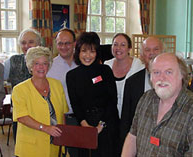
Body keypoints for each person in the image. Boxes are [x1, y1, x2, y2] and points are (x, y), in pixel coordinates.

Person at [122, 53, 193, 156]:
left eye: (169, 72)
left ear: (182, 75)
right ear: (150, 77)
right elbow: (133, 136)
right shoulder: (146, 99)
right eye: (156, 72)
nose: (162, 78)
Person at [66, 32, 119, 157]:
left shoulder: (105, 70)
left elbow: (112, 100)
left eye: (92, 51)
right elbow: (75, 103)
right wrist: (85, 125)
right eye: (84, 51)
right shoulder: (72, 76)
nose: (88, 56)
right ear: (78, 52)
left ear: (97, 53)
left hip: (107, 122)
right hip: (86, 124)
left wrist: (101, 125)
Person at [12, 46, 68, 157]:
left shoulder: (57, 85)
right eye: (36, 63)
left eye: (45, 63)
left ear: (49, 65)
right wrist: (45, 128)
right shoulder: (20, 89)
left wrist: (64, 139)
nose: (41, 67)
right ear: (30, 66)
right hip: (31, 147)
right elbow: (22, 117)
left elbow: (63, 113)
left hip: (55, 143)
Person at [119, 36, 164, 154]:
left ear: (163, 52)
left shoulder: (175, 80)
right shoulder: (131, 82)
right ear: (141, 55)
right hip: (139, 145)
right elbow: (126, 119)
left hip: (166, 145)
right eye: (147, 50)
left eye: (156, 49)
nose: (152, 53)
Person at [4, 28, 41, 143]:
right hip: (20, 115)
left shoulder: (47, 62)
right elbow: (0, 81)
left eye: (31, 42)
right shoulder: (11, 61)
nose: (27, 46)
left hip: (41, 113)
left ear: (38, 44)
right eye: (23, 43)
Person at [47, 28, 78, 156]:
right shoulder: (49, 67)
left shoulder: (83, 63)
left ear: (75, 44)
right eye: (60, 43)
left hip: (81, 118)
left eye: (67, 43)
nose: (63, 47)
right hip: (61, 119)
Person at [104, 33, 144, 119]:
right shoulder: (106, 65)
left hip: (132, 116)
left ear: (129, 48)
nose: (118, 48)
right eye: (115, 44)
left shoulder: (139, 66)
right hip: (110, 117)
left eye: (123, 45)